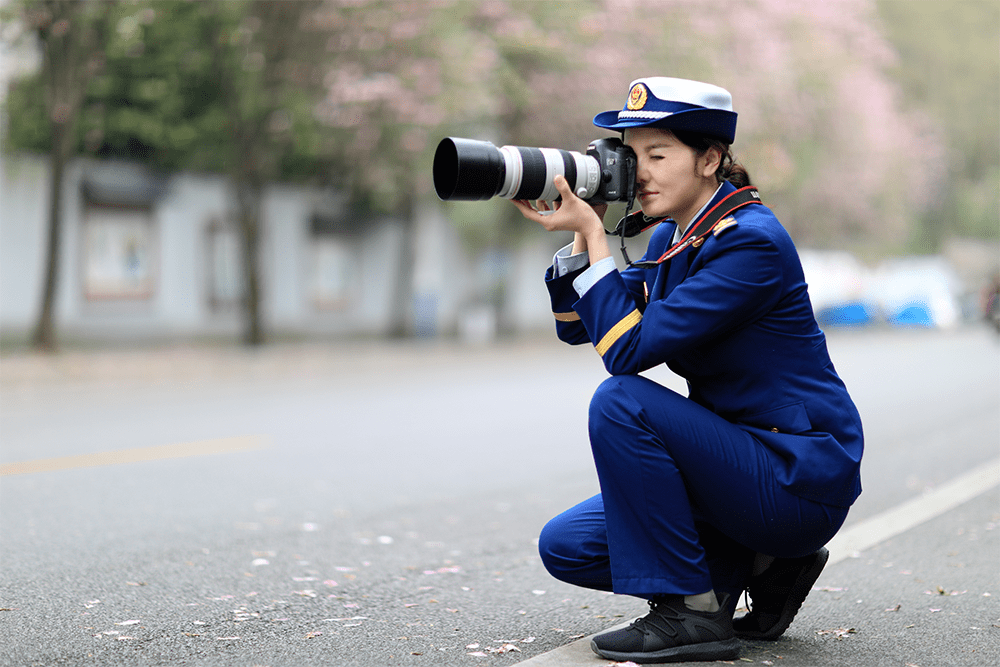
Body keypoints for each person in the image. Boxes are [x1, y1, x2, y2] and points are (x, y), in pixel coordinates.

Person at [510, 77, 864, 664]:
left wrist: (599, 236)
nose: (639, 171)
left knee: (621, 400)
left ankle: (696, 614)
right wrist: (581, 235)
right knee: (566, 546)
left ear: (709, 158)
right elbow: (580, 324)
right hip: (734, 471)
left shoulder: (750, 243)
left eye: (658, 154)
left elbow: (625, 352)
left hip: (794, 478)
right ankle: (756, 566)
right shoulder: (677, 237)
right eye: (633, 155)